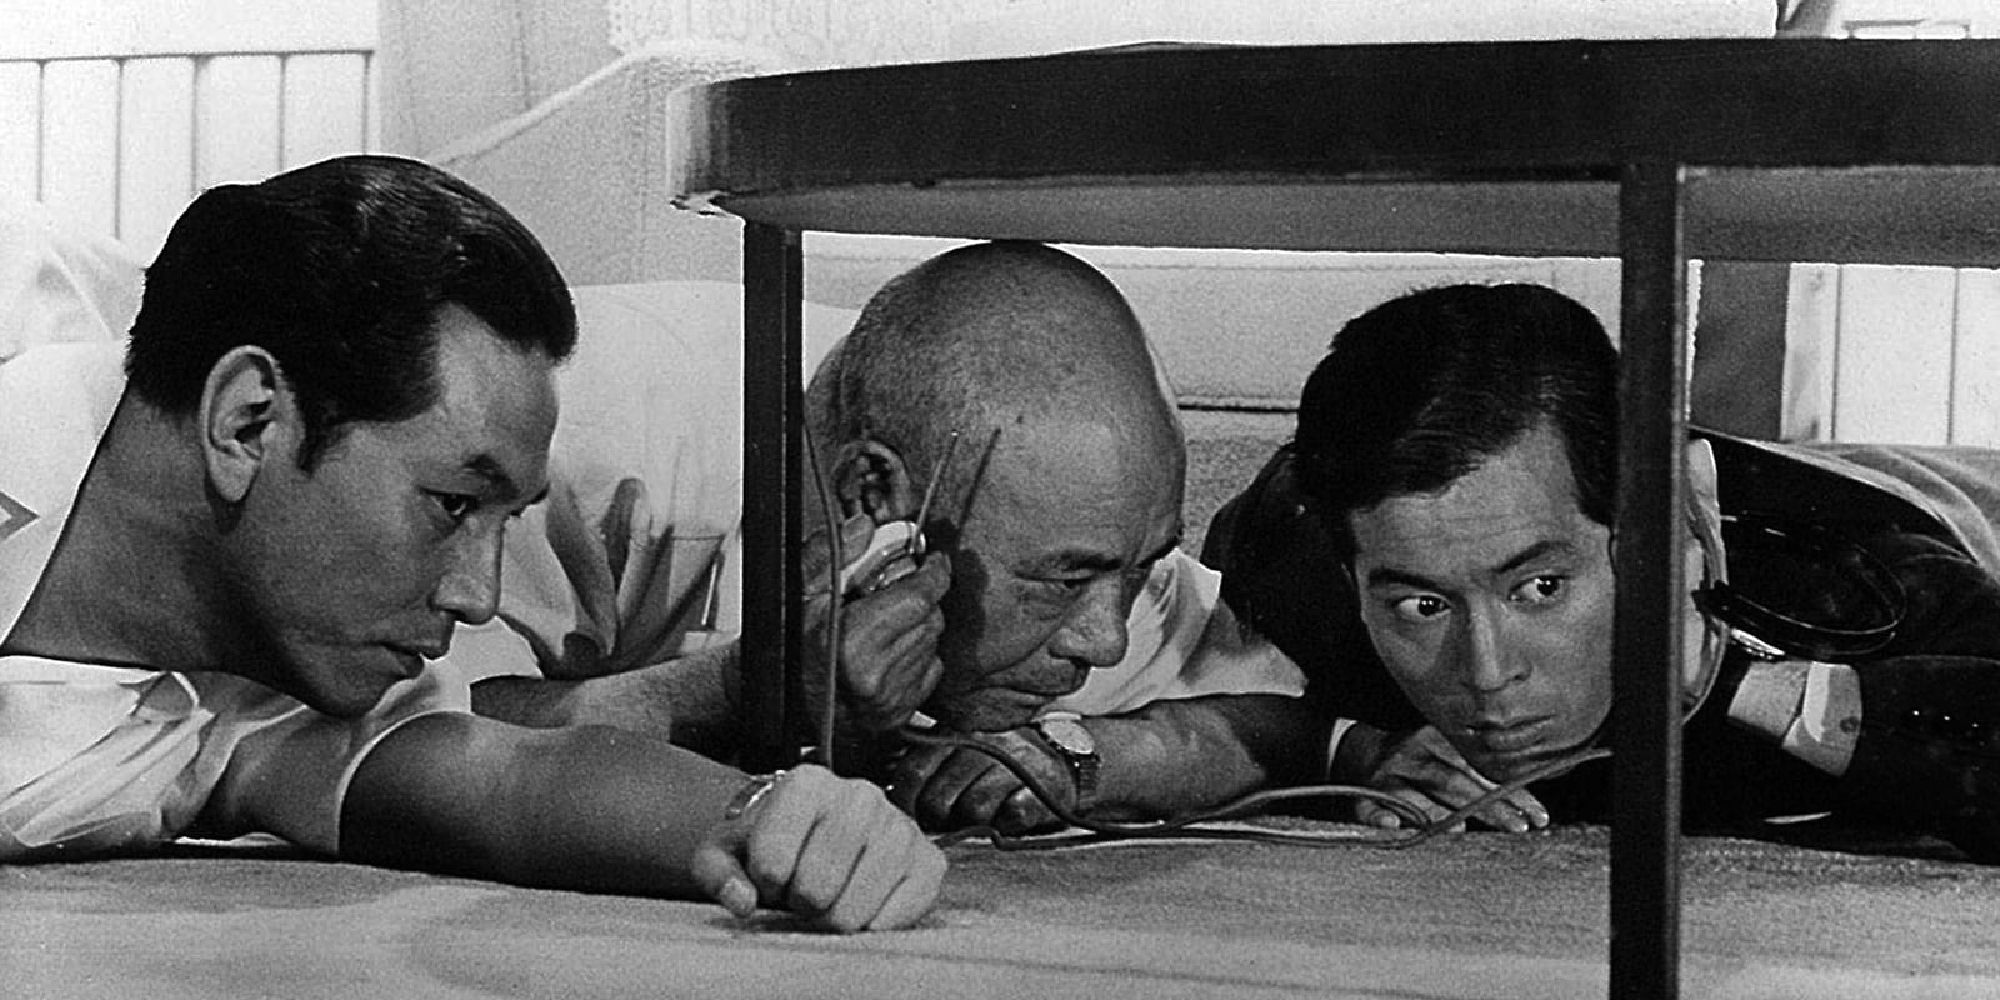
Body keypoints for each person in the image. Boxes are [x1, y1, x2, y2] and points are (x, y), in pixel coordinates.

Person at [0, 155, 943, 931]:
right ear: (248, 424)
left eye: (508, 520)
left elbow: (506, 781)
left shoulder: (253, 697)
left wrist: (768, 816)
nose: (480, 597)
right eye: (453, 504)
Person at [1205, 281, 2000, 857]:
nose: (1487, 675)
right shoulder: (1285, 564)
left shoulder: (1849, 585)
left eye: (1540, 588)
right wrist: (1356, 747)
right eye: (1422, 607)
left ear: (1643, 543)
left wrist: (1730, 686)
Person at [659, 240, 1320, 834]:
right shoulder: (614, 464)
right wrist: (751, 687)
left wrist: (1099, 757)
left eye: (1138, 570)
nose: (1107, 641)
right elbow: (550, 743)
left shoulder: (1106, 542)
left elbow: (1308, 730)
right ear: (872, 494)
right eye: (1062, 584)